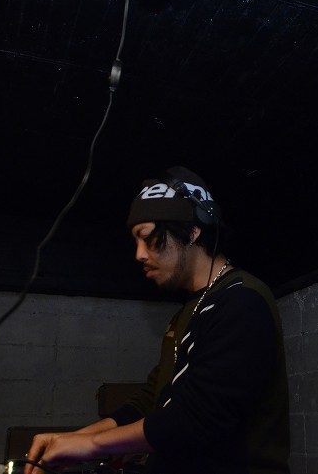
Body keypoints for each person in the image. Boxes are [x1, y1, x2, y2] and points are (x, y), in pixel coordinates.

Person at [25, 166, 290, 474]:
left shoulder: (242, 301)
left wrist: (94, 445)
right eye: (136, 241)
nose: (139, 254)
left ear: (192, 231)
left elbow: (196, 418)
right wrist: (75, 438)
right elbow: (153, 400)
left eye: (149, 238)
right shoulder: (187, 313)